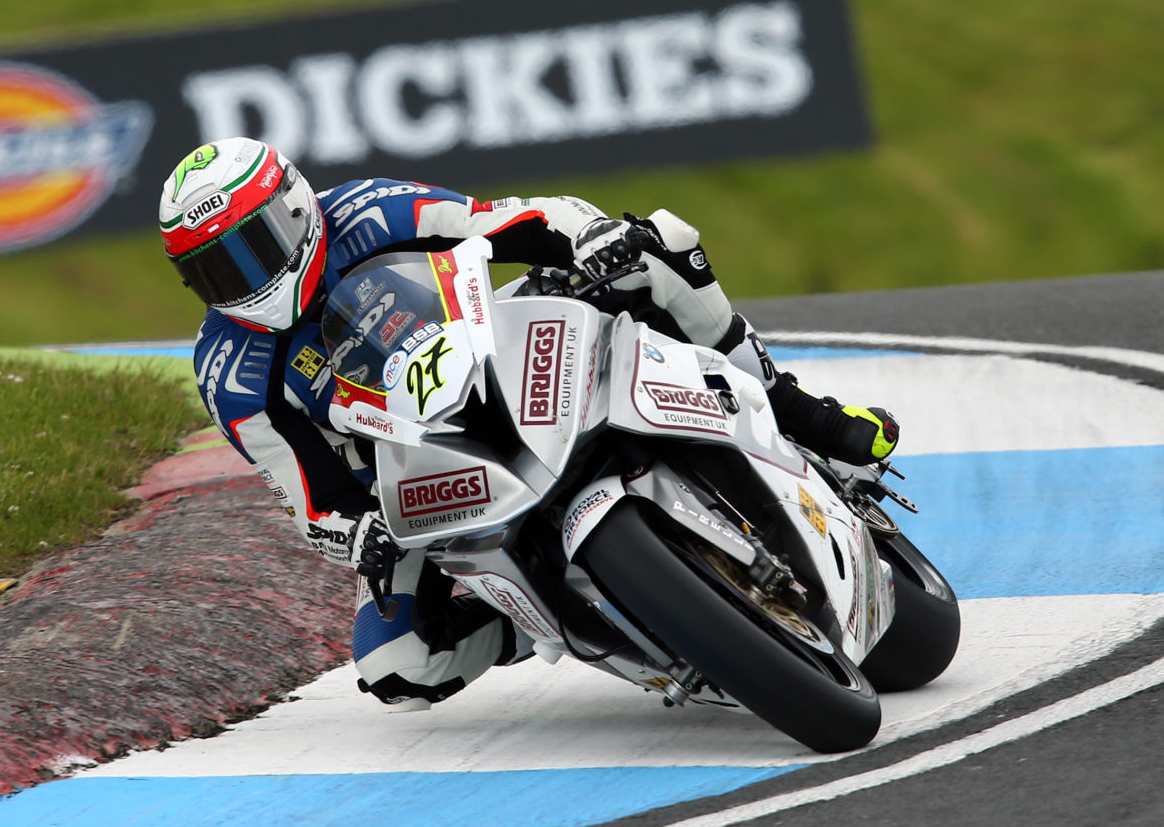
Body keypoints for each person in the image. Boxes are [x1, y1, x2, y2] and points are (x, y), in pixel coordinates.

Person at [160, 137, 901, 710]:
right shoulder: (229, 369)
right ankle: (552, 619)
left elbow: (511, 221)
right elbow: (305, 496)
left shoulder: (368, 209)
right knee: (396, 667)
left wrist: (591, 237)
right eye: (213, 271)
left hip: (492, 353)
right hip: (415, 476)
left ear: (292, 208)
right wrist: (361, 533)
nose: (242, 281)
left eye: (249, 250)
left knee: (663, 244)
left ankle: (800, 414)